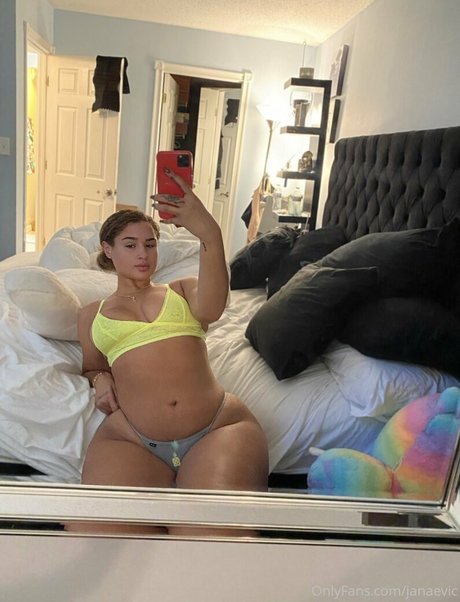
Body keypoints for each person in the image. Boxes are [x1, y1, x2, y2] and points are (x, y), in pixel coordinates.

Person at [74, 169, 269, 535]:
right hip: (132, 439)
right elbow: (92, 366)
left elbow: (213, 309)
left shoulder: (181, 290)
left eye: (150, 244)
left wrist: (209, 231)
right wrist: (100, 379)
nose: (143, 254)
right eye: (130, 245)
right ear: (108, 249)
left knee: (213, 546)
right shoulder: (91, 315)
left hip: (217, 428)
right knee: (97, 538)